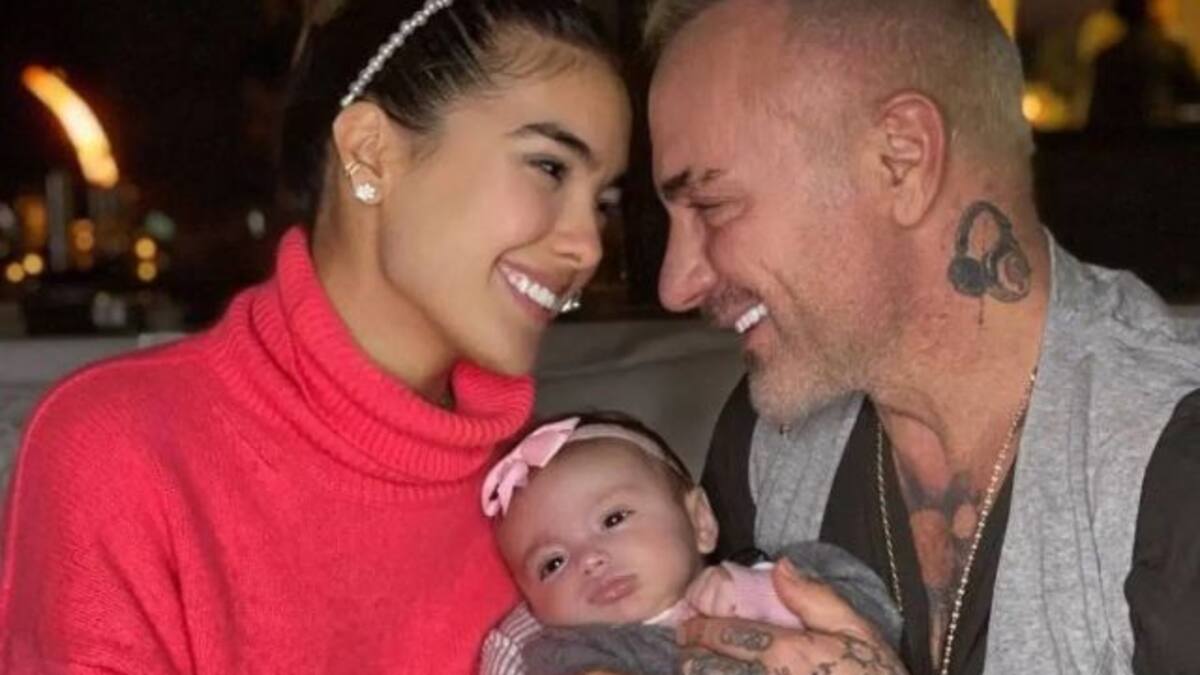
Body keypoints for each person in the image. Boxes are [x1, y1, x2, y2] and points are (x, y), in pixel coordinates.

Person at [0, 1, 630, 672]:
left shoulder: (552, 494)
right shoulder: (121, 449)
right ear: (370, 153)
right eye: (549, 167)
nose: (588, 246)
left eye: (603, 201)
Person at [644, 0, 1200, 674]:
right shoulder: (771, 434)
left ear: (900, 160)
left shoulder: (1173, 464)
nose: (676, 284)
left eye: (712, 204)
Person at [478, 413, 900, 675]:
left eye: (613, 519)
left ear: (700, 520)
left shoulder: (779, 574)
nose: (590, 559)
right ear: (533, 605)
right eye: (552, 563)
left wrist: (761, 593)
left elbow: (873, 612)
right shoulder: (569, 651)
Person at [1089, 0, 1200, 129]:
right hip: (1166, 138)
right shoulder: (1171, 53)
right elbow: (1194, 104)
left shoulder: (1107, 58)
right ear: (1151, 8)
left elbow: (1096, 117)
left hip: (1120, 140)